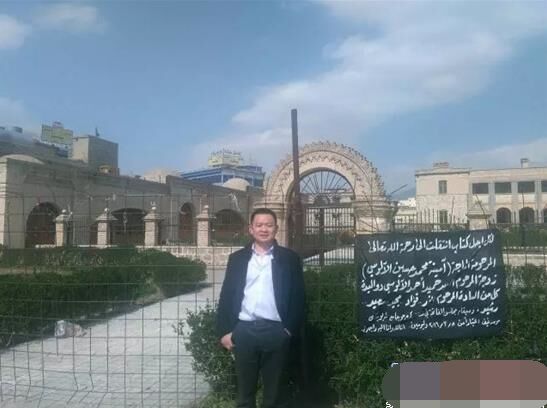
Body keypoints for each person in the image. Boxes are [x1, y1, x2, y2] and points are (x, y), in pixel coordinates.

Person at [216, 207, 306, 408]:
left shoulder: (289, 258)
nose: (264, 229)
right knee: (244, 395)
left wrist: (288, 330)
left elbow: (299, 297)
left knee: (274, 396)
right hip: (244, 331)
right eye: (259, 225)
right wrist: (225, 331)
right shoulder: (237, 259)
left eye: (269, 225)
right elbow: (226, 295)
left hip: (276, 331)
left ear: (276, 228)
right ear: (251, 229)